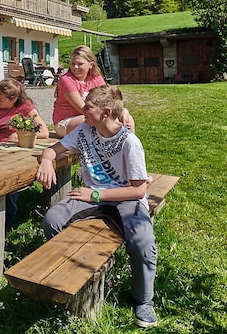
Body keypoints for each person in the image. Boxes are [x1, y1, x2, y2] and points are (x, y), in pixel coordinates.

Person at [37, 85, 157, 328]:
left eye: (88, 108)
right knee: (53, 219)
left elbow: (139, 190)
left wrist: (96, 194)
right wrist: (47, 161)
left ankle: (143, 301)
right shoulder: (84, 129)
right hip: (92, 196)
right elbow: (52, 150)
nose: (82, 111)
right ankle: (73, 275)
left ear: (105, 112)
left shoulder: (129, 142)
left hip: (124, 199)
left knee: (143, 241)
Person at [0, 78, 49, 228]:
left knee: (10, 176)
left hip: (11, 151)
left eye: (1, 99)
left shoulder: (25, 106)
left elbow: (44, 131)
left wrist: (19, 134)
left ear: (13, 99)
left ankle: (8, 215)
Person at [53, 45, 135, 137]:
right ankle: (111, 147)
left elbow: (108, 100)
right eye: (72, 64)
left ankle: (129, 146)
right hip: (67, 121)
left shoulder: (96, 78)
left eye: (80, 64)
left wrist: (122, 111)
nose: (75, 67)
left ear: (91, 65)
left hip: (92, 115)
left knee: (127, 119)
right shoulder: (66, 80)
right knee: (98, 122)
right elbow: (83, 109)